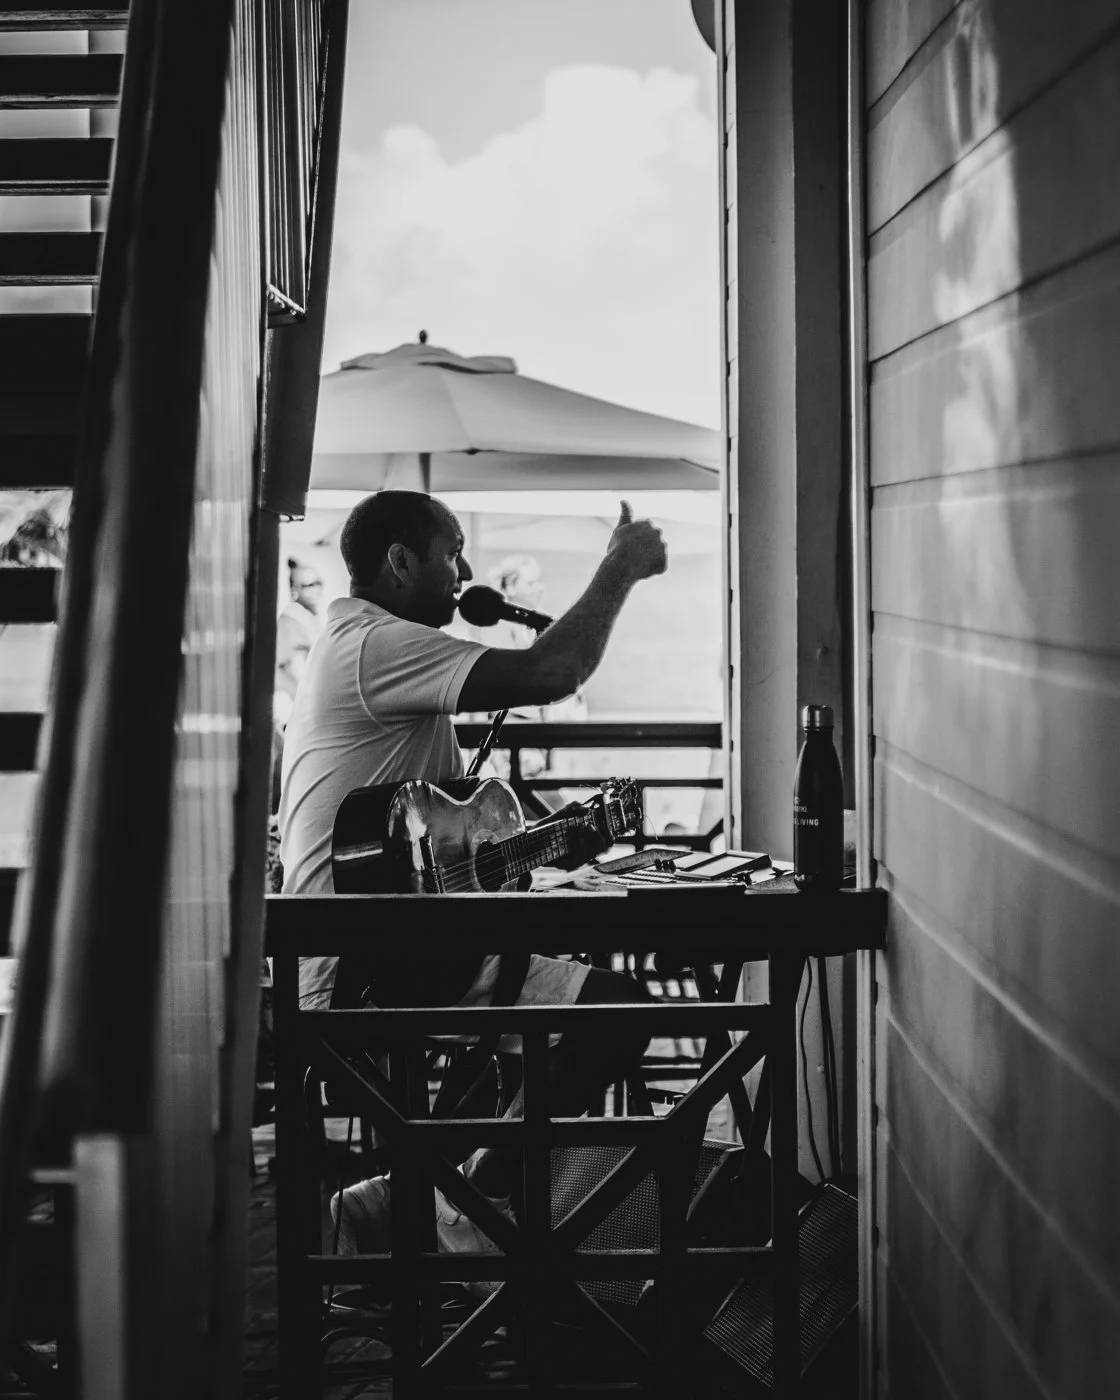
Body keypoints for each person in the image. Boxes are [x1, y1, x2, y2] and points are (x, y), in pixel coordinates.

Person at [277, 489, 667, 1276]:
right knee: (616, 1015)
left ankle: (410, 1201)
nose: (464, 571)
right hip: (365, 971)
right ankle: (462, 1205)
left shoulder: (364, 648)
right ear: (400, 562)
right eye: (452, 550)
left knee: (555, 1034)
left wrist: (560, 843)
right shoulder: (375, 644)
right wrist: (619, 569)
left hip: (376, 953)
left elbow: (452, 843)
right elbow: (553, 669)